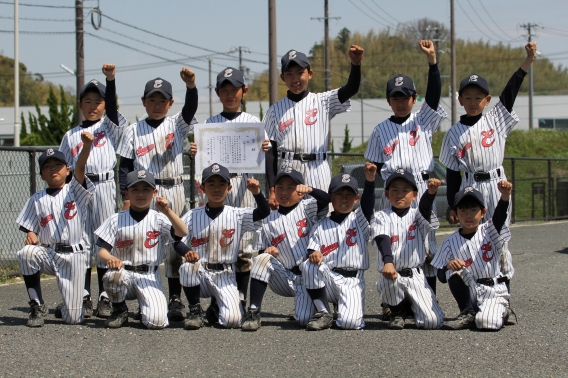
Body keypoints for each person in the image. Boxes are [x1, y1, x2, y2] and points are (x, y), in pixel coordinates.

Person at [440, 42, 537, 324]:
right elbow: (453, 172)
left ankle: (503, 303)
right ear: (459, 100)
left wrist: (527, 62)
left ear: (487, 99)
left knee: (499, 245)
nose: (472, 101)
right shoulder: (454, 133)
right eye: (467, 97)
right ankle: (469, 307)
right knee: (468, 246)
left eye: (478, 96)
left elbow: (511, 91)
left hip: (496, 186)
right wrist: (452, 205)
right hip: (470, 188)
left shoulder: (496, 118)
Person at [364, 40, 447, 306]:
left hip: (421, 190)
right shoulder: (379, 130)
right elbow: (373, 170)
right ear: (389, 101)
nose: (401, 102)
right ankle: (394, 303)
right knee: (393, 247)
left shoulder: (422, 120)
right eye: (396, 97)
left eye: (406, 97)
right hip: (394, 193)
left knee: (426, 247)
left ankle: (427, 299)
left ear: (414, 99)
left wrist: (432, 62)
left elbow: (433, 95)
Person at [117, 68, 198, 322]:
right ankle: (140, 295)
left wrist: (191, 86)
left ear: (170, 103)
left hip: (173, 189)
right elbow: (125, 166)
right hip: (144, 193)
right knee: (143, 243)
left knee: (174, 245)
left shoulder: (176, 124)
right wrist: (126, 198)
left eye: (162, 100)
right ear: (143, 101)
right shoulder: (133, 130)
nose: (156, 104)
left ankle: (175, 298)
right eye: (151, 99)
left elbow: (190, 110)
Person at [58, 63, 127, 319]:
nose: (93, 105)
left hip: (105, 185)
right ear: (80, 105)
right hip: (78, 188)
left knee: (104, 240)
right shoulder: (70, 135)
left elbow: (111, 104)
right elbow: (65, 170)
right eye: (88, 101)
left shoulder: (109, 127)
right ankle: (84, 295)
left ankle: (105, 296)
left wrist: (110, 81)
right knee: (82, 243)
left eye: (98, 101)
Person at [264, 45, 364, 208]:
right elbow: (270, 153)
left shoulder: (322, 101)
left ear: (309, 74)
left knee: (321, 218)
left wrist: (356, 64)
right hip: (287, 170)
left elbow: (350, 89)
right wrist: (272, 188)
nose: (295, 79)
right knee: (289, 222)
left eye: (299, 72)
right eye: (289, 74)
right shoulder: (274, 111)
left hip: (317, 168)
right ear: (282, 77)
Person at [174, 163, 270, 330]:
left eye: (221, 184)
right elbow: (177, 241)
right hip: (200, 273)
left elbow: (263, 212)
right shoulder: (193, 214)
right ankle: (195, 310)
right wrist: (187, 251)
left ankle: (216, 307)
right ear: (203, 187)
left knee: (232, 321)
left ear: (229, 187)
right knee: (187, 267)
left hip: (225, 274)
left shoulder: (237, 214)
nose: (216, 189)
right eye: (211, 184)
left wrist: (257, 193)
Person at [205, 67, 271, 309]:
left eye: (234, 89)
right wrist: (195, 153)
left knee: (244, 246)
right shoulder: (210, 124)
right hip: (219, 187)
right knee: (218, 245)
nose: (230, 94)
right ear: (217, 93)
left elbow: (266, 159)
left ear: (244, 91)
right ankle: (216, 298)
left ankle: (241, 296)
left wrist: (266, 149)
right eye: (225, 89)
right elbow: (204, 162)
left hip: (244, 184)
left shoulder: (254, 123)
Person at [16, 133, 95, 327]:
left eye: (57, 165)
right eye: (47, 167)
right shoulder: (36, 198)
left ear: (67, 170)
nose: (53, 169)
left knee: (73, 319)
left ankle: (69, 305)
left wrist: (86, 147)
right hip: (50, 253)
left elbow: (81, 167)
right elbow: (28, 225)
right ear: (42, 174)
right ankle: (36, 304)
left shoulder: (75, 190)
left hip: (74, 256)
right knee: (26, 253)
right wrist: (31, 233)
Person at [95, 170, 189, 329]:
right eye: (135, 189)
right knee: (112, 277)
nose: (140, 194)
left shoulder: (159, 218)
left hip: (149, 276)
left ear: (154, 192)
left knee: (156, 322)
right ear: (126, 193)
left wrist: (167, 211)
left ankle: (145, 308)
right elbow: (101, 252)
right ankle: (120, 310)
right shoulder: (116, 219)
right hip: (123, 273)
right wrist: (109, 259)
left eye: (145, 189)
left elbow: (182, 232)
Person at [241, 168, 330, 331]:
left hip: (308, 277)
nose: (285, 191)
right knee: (261, 259)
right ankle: (253, 311)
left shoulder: (307, 207)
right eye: (280, 187)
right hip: (284, 277)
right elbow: (261, 254)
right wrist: (267, 252)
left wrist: (311, 189)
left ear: (300, 191)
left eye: (291, 187)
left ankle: (321, 306)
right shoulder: (268, 219)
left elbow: (326, 200)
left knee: (304, 320)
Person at [300, 163, 376, 330]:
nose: (344, 198)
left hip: (352, 281)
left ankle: (341, 307)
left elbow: (369, 203)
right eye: (339, 194)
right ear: (330, 197)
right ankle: (323, 312)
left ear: (356, 198)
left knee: (350, 323)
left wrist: (370, 181)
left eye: (349, 195)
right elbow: (312, 249)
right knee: (309, 265)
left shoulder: (360, 220)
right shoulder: (320, 225)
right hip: (328, 278)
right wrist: (315, 253)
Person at [432, 182, 512, 330]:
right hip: (472, 292)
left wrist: (504, 197)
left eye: (473, 210)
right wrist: (448, 265)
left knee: (485, 323)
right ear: (455, 214)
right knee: (452, 269)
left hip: (494, 291)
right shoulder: (449, 242)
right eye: (462, 210)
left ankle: (503, 310)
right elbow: (442, 277)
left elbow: (500, 216)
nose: (468, 215)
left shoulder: (490, 230)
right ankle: (467, 312)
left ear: (482, 212)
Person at [371, 169, 444, 330]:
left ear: (415, 195)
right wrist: (388, 262)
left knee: (433, 321)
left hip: (415, 274)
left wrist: (430, 194)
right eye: (395, 190)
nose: (400, 194)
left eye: (405, 190)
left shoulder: (417, 215)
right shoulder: (381, 216)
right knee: (388, 280)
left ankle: (411, 306)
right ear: (387, 194)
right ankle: (397, 311)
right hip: (392, 274)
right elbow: (382, 239)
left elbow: (425, 209)